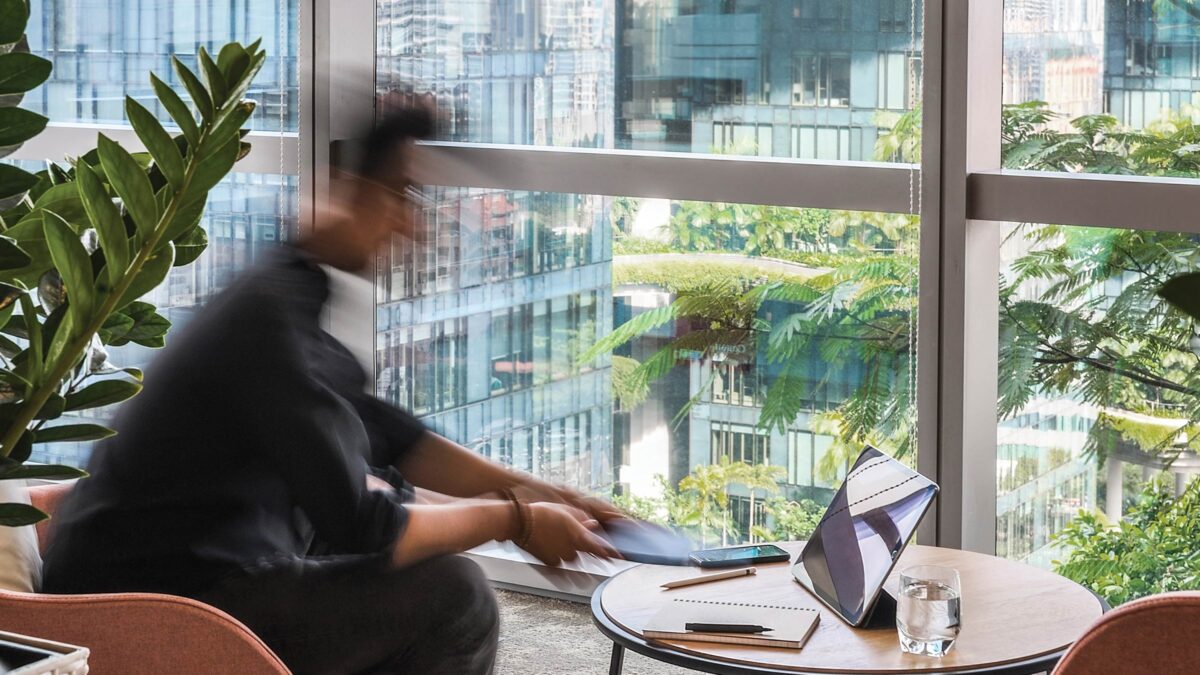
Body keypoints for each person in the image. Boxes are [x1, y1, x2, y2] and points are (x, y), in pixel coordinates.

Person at [40, 104, 622, 675]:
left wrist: (545, 495)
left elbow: (387, 438)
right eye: (401, 196)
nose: (410, 225)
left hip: (184, 567)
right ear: (352, 189)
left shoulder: (288, 286)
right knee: (457, 597)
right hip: (153, 607)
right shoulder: (269, 323)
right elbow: (368, 522)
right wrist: (516, 519)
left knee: (375, 528)